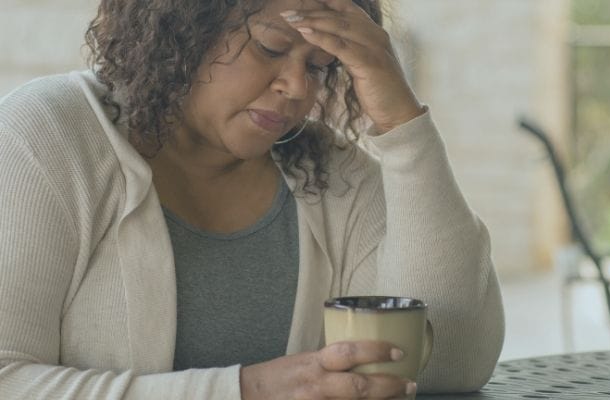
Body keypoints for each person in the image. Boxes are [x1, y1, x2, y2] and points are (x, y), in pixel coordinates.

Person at [0, 0, 504, 398]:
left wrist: (402, 125)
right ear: (187, 25)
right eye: (270, 46)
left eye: (321, 66)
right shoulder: (45, 139)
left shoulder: (329, 173)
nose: (296, 87)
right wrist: (249, 390)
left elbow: (449, 362)